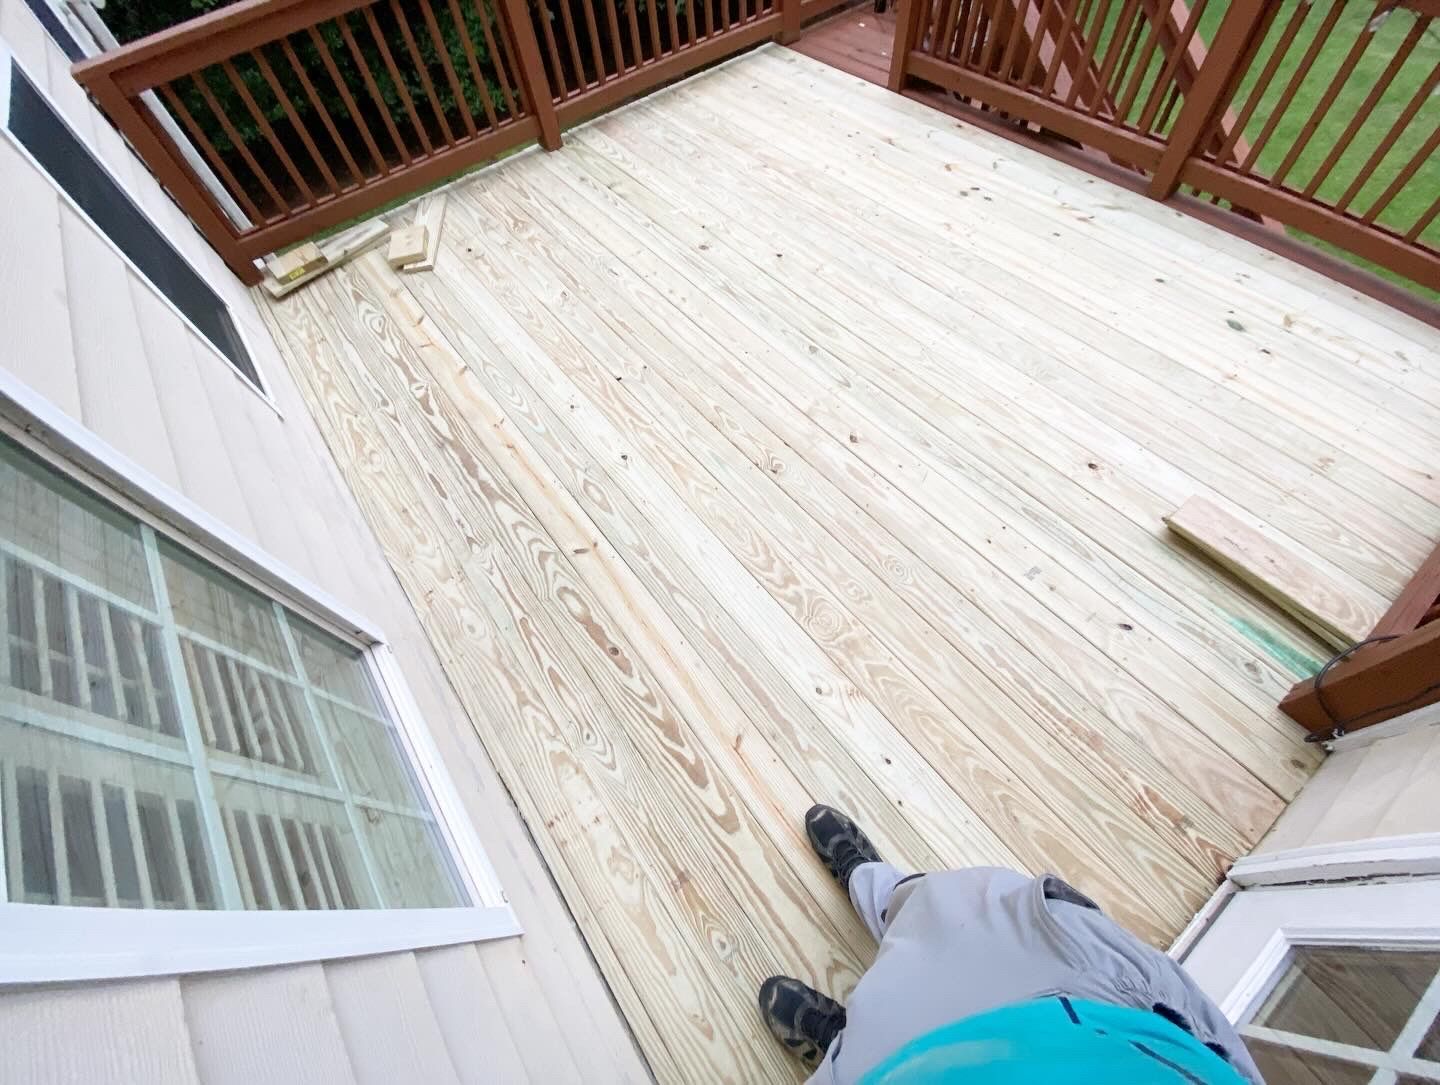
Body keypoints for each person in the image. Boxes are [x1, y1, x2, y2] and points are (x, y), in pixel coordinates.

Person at [758, 806, 1263, 1084]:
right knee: (943, 909)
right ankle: (877, 891)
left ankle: (842, 1043)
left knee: (858, 1061)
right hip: (1095, 1014)